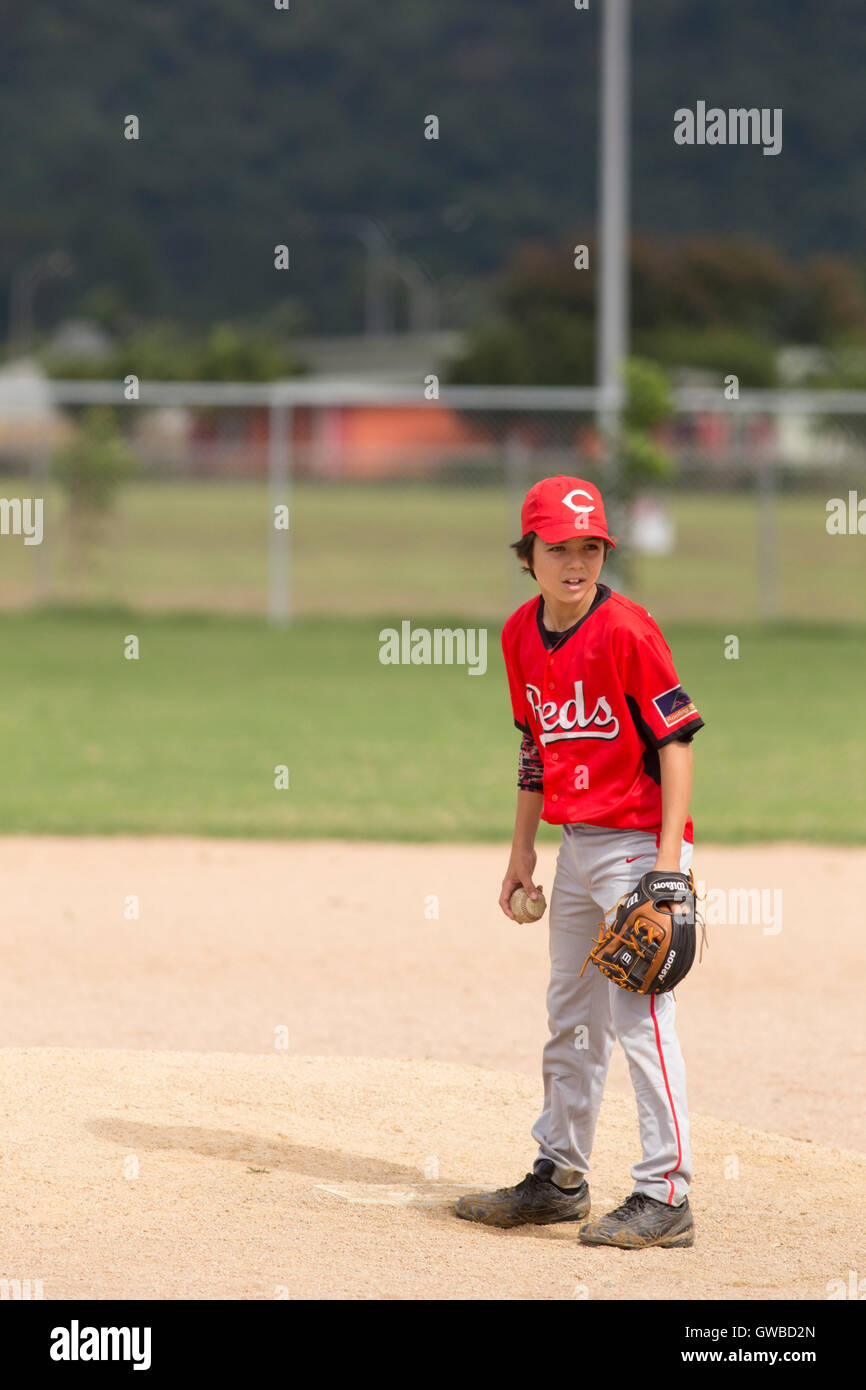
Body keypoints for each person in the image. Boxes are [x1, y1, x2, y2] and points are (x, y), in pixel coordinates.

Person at [455, 475, 705, 1249]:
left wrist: (668, 873)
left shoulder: (629, 630)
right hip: (575, 845)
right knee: (571, 1016)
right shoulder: (517, 636)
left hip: (639, 844)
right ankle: (558, 1179)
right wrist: (521, 850)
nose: (575, 562)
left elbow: (677, 744)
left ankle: (666, 1194)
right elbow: (535, 749)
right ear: (527, 554)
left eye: (589, 547)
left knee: (641, 1017)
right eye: (558, 548)